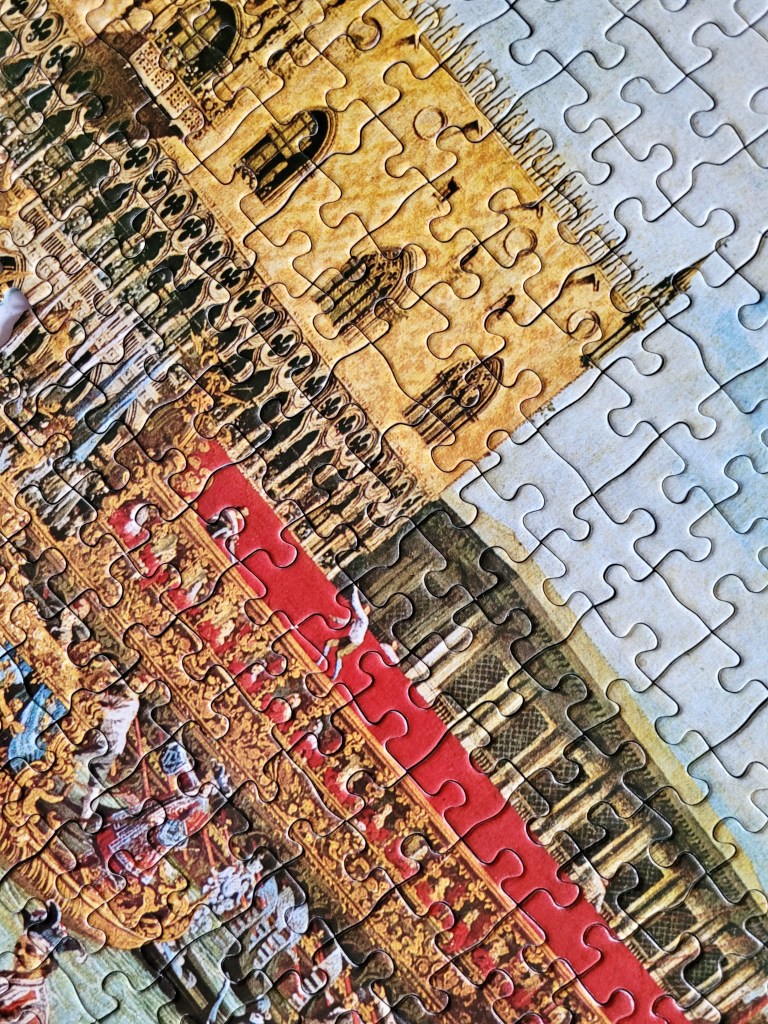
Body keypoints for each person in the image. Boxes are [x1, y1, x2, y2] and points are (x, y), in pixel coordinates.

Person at [0, 903, 82, 1024]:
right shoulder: (5, 976)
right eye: (18, 946)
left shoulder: (36, 1008)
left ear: (46, 962)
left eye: (30, 950)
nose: (20, 952)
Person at [316, 587, 370, 682]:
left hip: (354, 643)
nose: (363, 611)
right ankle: (319, 661)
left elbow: (357, 606)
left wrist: (355, 591)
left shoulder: (365, 621)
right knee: (330, 642)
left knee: (339, 653)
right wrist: (335, 619)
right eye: (364, 609)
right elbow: (346, 621)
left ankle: (335, 676)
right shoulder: (357, 619)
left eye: (365, 610)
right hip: (349, 638)